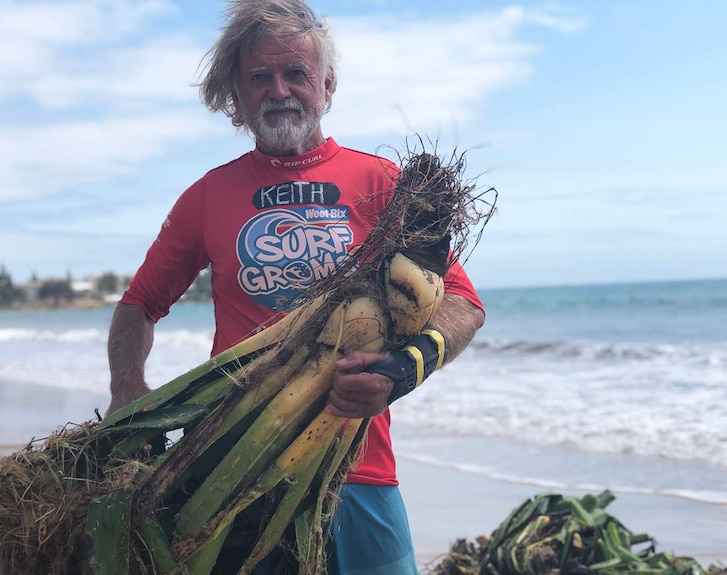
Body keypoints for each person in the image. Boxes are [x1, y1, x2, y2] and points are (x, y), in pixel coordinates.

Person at [105, 0, 485, 573]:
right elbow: (138, 305)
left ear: (327, 84)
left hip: (358, 461)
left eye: (295, 73)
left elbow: (463, 302)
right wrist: (129, 392)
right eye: (259, 76)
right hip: (235, 466)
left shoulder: (382, 184)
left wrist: (402, 371)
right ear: (236, 94)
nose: (278, 90)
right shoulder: (208, 196)